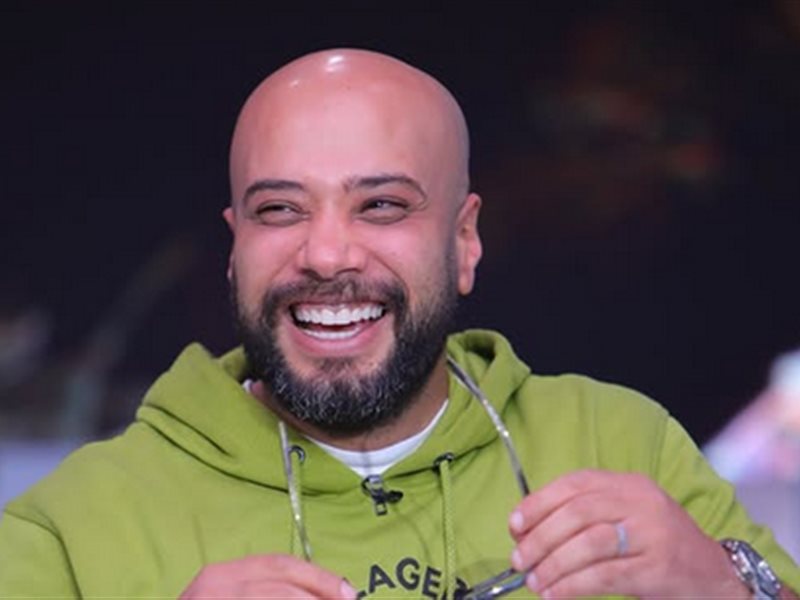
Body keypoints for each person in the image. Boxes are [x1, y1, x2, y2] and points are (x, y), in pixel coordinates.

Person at [0, 48, 798, 599]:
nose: (326, 253)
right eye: (280, 210)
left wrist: (719, 585)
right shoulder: (77, 524)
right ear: (236, 248)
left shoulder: (621, 444)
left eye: (381, 205)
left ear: (464, 240)